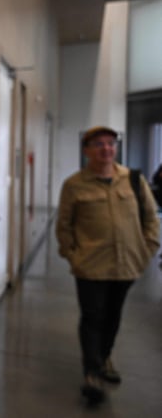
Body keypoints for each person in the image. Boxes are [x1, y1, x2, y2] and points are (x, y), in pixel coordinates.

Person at [56, 126, 160, 404]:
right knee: (92, 317)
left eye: (110, 144)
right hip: (90, 266)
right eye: (99, 144)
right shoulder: (74, 185)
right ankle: (91, 371)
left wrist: (148, 249)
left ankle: (104, 358)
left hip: (126, 265)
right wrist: (72, 255)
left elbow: (151, 218)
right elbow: (64, 226)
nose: (106, 149)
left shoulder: (134, 180)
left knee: (113, 315)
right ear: (86, 150)